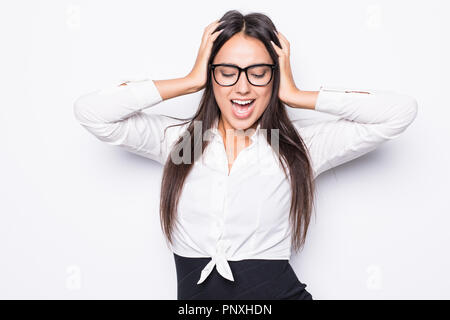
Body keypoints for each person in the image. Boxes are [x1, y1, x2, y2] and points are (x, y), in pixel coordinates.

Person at [73, 10, 418, 300]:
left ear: (274, 77)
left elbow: (399, 112)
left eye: (258, 73)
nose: (242, 87)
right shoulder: (179, 143)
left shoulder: (299, 148)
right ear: (212, 76)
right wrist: (189, 79)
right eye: (227, 72)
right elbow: (92, 112)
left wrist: (297, 95)